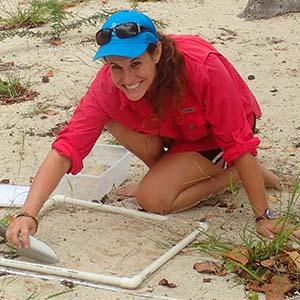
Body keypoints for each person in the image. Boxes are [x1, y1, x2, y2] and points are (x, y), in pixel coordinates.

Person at [6, 9, 299, 248]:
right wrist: (27, 214)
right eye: (116, 67)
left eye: (136, 64)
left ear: (156, 53)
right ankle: (170, 174)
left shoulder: (202, 69)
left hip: (216, 135)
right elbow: (66, 148)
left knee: (152, 199)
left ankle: (233, 173)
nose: (127, 77)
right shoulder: (107, 87)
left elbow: (237, 140)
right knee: (110, 117)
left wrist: (264, 216)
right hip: (174, 131)